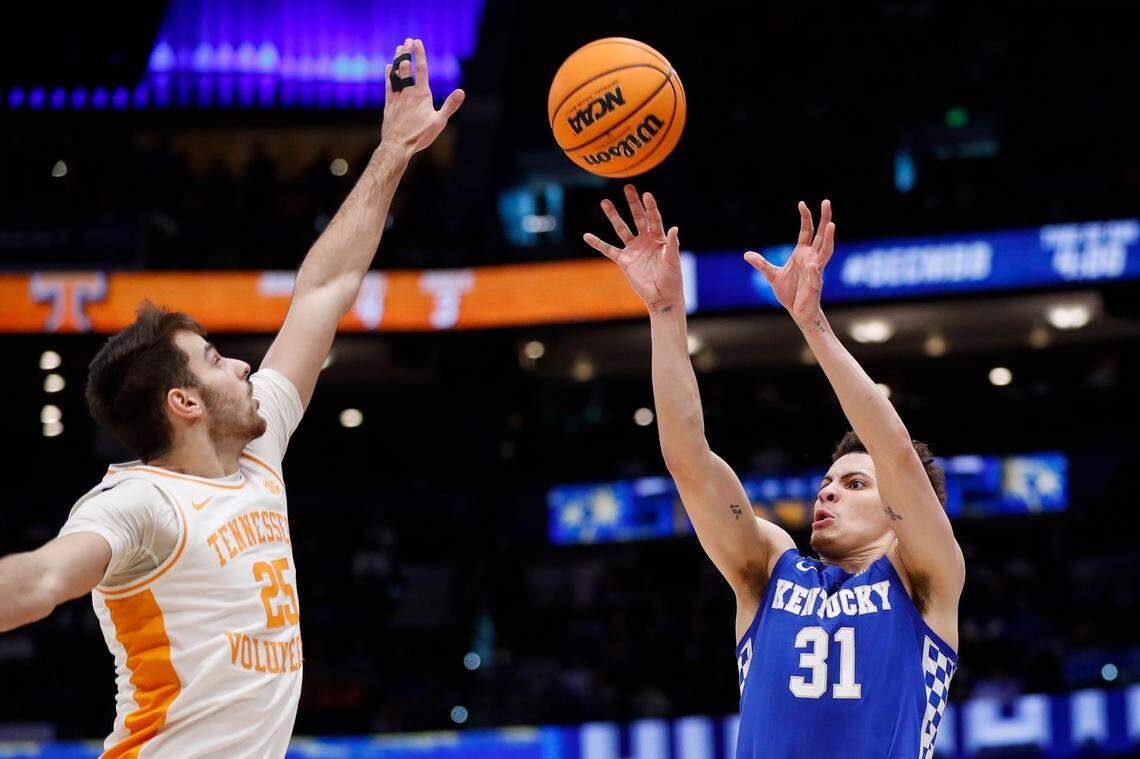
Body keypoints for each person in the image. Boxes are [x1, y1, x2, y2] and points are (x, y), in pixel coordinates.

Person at [0, 39, 463, 758]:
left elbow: (322, 292)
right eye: (217, 359)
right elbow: (42, 578)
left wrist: (394, 152)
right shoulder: (138, 502)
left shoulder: (260, 445)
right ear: (183, 402)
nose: (246, 366)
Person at [585, 187, 965, 758]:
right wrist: (664, 314)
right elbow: (688, 460)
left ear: (898, 514)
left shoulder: (924, 580)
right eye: (827, 483)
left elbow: (898, 456)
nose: (829, 493)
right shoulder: (768, 569)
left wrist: (812, 323)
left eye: (854, 484)